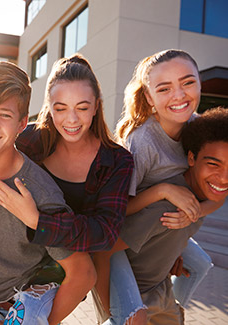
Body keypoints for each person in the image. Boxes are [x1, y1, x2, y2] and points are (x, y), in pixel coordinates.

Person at [0, 55, 143, 324]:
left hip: (88, 247)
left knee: (134, 318)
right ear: (49, 108)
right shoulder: (31, 138)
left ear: (97, 106)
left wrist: (37, 221)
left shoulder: (114, 161)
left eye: (82, 107)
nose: (71, 119)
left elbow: (104, 235)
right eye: (60, 108)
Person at [92, 49, 220, 324]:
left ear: (199, 83)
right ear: (149, 97)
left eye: (188, 82)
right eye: (164, 89)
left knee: (199, 265)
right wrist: (163, 191)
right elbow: (118, 210)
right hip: (125, 236)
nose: (179, 95)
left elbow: (219, 194)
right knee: (128, 314)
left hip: (166, 226)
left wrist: (192, 213)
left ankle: (172, 310)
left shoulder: (198, 128)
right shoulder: (142, 142)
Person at [118, 106, 228, 324]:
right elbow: (107, 247)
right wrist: (116, 310)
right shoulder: (143, 142)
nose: (224, 178)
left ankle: (177, 310)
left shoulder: (207, 193)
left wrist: (190, 221)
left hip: (161, 289)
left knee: (200, 265)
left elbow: (219, 199)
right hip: (141, 291)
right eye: (213, 164)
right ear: (191, 158)